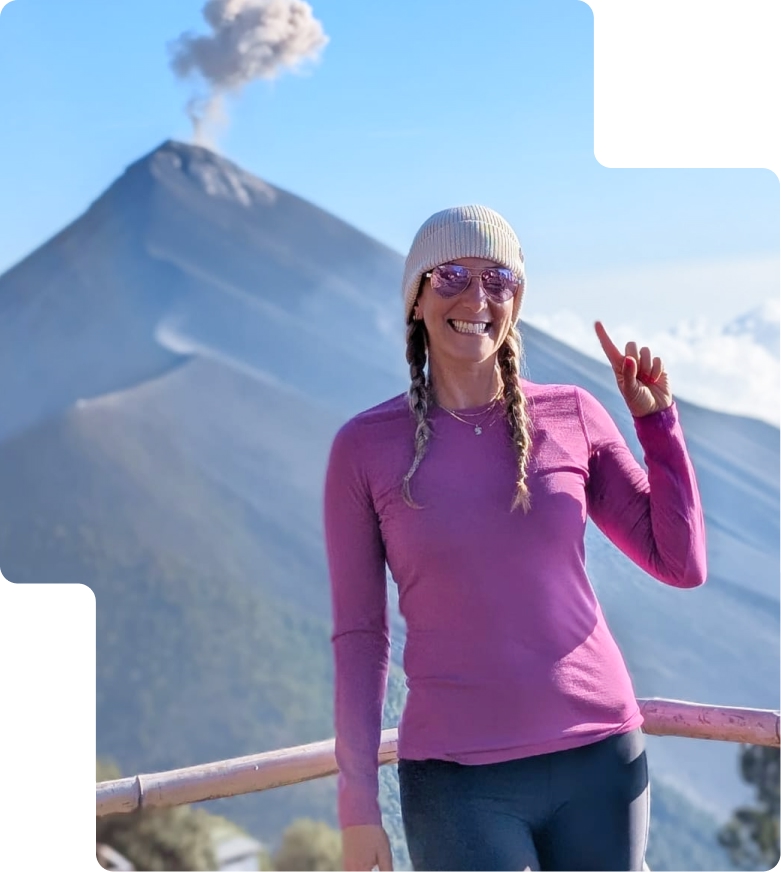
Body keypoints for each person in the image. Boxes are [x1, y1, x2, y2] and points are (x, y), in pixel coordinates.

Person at [324, 205, 707, 871]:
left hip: (601, 762)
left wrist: (658, 428)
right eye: (450, 276)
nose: (476, 298)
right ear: (415, 300)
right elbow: (360, 637)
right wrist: (357, 806)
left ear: (516, 301)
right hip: (456, 782)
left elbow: (681, 564)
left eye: (497, 280)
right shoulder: (363, 448)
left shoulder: (573, 414)